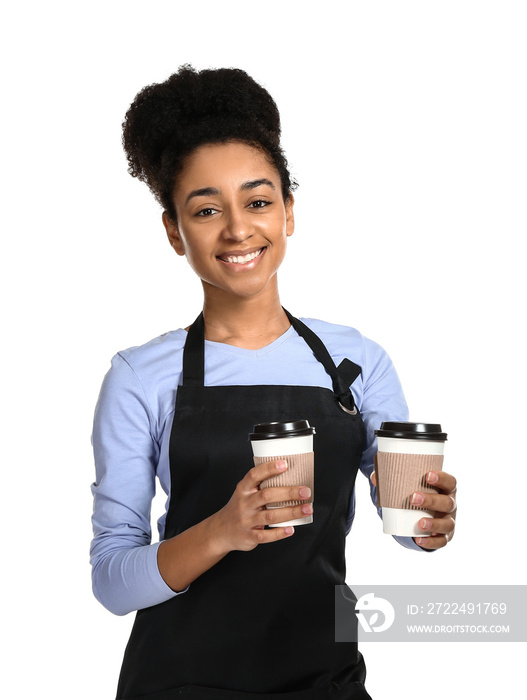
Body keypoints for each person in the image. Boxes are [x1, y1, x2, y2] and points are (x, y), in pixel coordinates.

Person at [90, 65, 457, 700]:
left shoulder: (355, 360)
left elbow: (404, 522)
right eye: (206, 210)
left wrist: (430, 525)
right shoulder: (140, 378)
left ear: (288, 212)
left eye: (258, 201)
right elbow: (111, 582)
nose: (237, 229)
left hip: (326, 678)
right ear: (175, 232)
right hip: (180, 684)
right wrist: (223, 530)